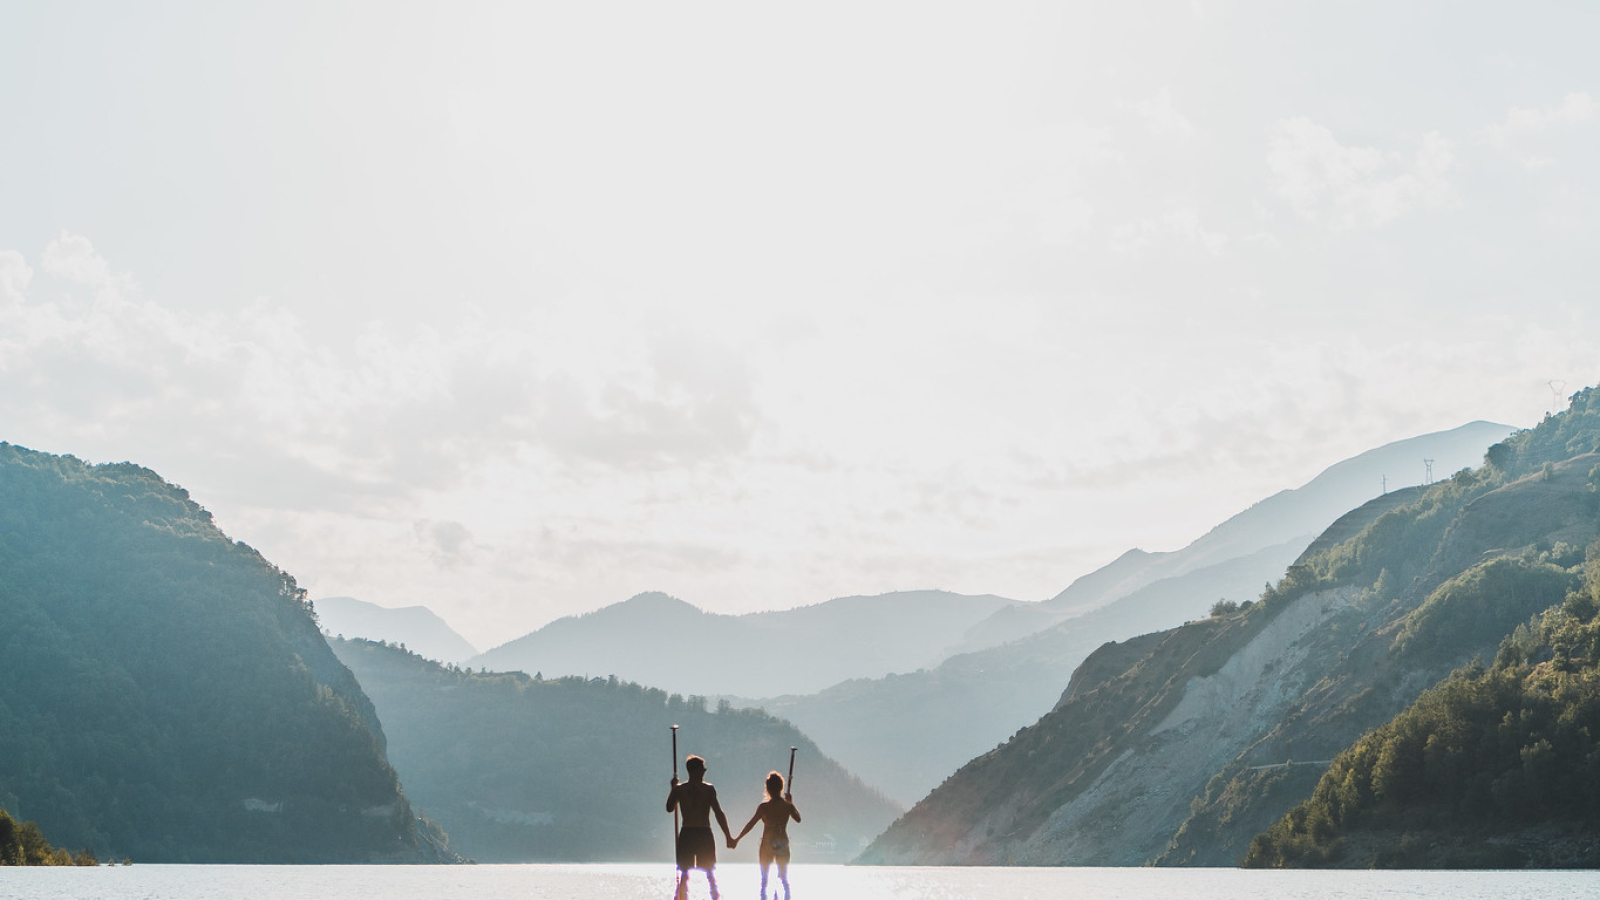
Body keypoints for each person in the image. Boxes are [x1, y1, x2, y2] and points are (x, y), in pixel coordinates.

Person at [666, 754, 734, 900]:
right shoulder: (683, 789)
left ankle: (713, 897)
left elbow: (718, 813)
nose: (704, 772)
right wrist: (673, 789)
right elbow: (669, 808)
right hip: (695, 833)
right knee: (688, 872)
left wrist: (728, 836)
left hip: (698, 833)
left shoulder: (702, 789)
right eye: (702, 769)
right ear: (695, 771)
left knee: (707, 871)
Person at [731, 771, 801, 900]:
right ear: (781, 787)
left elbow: (750, 824)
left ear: (768, 788)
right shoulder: (787, 806)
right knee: (784, 879)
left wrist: (737, 839)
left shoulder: (764, 807)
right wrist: (791, 803)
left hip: (767, 844)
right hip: (782, 843)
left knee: (764, 880)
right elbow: (798, 819)